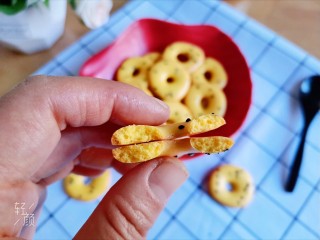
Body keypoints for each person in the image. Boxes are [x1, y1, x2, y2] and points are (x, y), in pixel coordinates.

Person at [0, 76, 188, 239]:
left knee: (24, 214)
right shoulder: (22, 197)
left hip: (20, 204)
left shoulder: (21, 202)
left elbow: (18, 210)